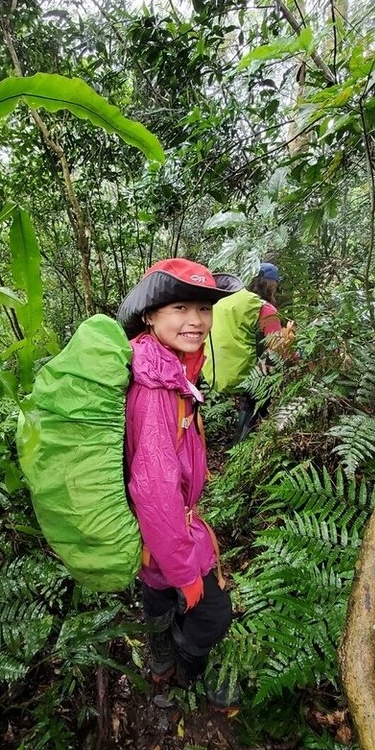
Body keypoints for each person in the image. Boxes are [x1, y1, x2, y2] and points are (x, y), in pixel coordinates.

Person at [117, 259, 239, 710]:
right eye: (181, 307)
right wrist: (188, 572)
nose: (196, 320)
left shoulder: (168, 368)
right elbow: (154, 491)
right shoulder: (155, 389)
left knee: (156, 589)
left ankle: (161, 653)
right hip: (170, 534)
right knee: (212, 613)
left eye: (204, 308)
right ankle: (186, 668)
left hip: (158, 539)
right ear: (150, 315)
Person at [204, 263, 295, 442]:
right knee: (257, 408)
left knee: (248, 405)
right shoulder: (264, 308)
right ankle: (242, 451)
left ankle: (239, 449)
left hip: (218, 373)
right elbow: (276, 349)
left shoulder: (224, 302)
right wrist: (293, 346)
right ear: (271, 284)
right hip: (249, 376)